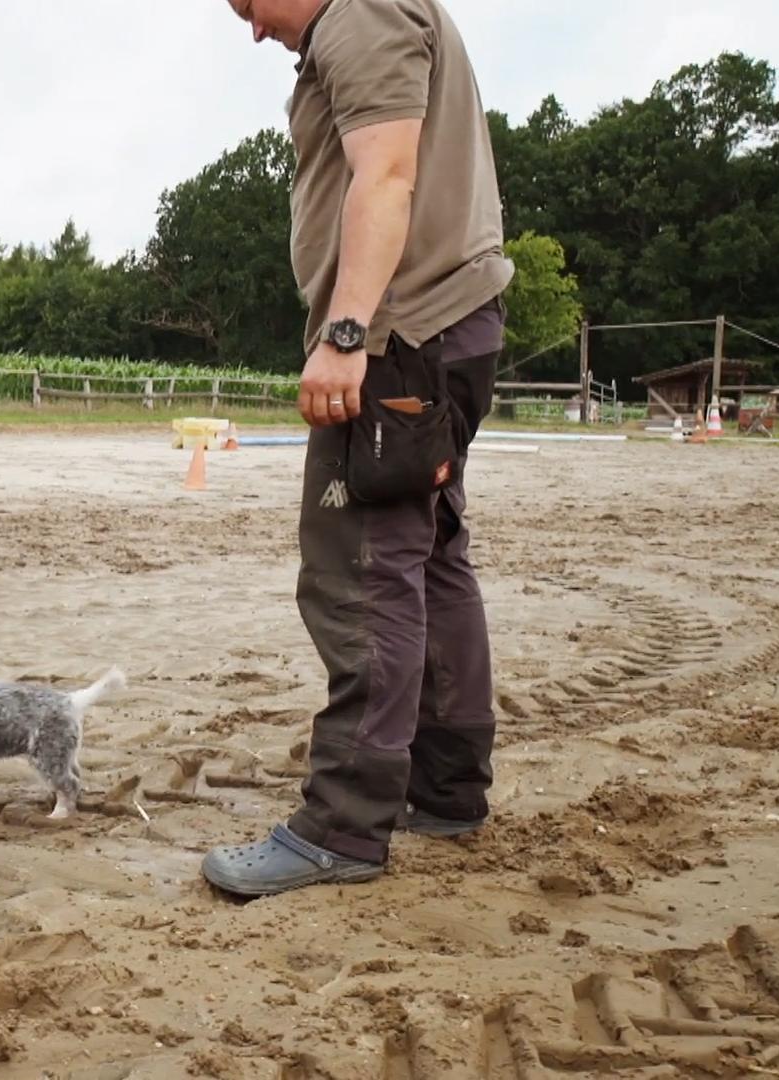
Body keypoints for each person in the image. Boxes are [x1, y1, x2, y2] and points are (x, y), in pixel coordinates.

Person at [199, 0, 515, 897]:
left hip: (399, 336)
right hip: (446, 325)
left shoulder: (359, 15)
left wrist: (346, 333)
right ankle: (446, 787)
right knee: (432, 557)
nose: (252, 28)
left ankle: (342, 826)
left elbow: (385, 176)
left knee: (361, 571)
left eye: (249, 3)